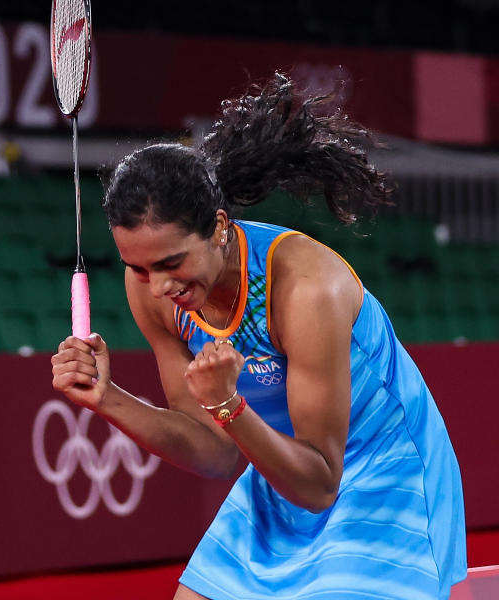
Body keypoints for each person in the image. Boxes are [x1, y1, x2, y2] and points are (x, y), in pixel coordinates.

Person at [51, 74, 466, 600]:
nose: (159, 285)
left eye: (172, 263)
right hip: (280, 466)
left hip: (383, 472)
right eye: (138, 268)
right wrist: (107, 400)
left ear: (220, 227)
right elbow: (218, 453)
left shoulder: (306, 290)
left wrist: (229, 406)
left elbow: (319, 484)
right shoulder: (153, 294)